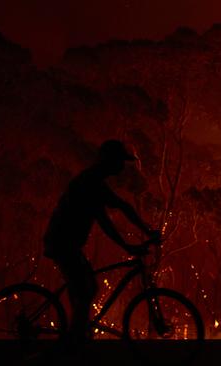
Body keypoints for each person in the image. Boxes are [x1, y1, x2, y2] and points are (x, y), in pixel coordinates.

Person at [43, 139, 158, 344]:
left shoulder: (96, 181)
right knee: (85, 290)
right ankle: (73, 341)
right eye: (120, 161)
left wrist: (148, 231)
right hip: (62, 242)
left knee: (88, 288)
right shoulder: (90, 183)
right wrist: (127, 246)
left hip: (68, 243)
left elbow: (124, 207)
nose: (123, 166)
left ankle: (76, 331)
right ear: (109, 160)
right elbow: (105, 223)